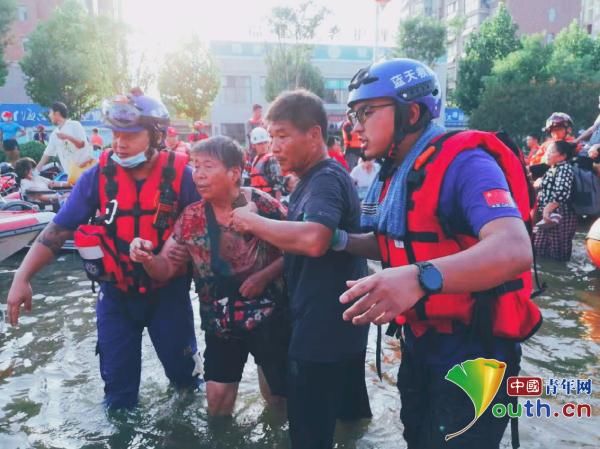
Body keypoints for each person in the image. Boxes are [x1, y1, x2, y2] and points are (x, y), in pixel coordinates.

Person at [336, 58, 541, 449]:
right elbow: (399, 243)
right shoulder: (394, 172)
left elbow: (515, 249)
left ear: (411, 112)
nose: (354, 125)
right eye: (353, 114)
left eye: (366, 112)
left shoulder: (466, 163)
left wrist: (417, 277)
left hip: (475, 352)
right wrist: (339, 241)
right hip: (420, 345)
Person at [6, 92, 202, 409]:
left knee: (187, 386)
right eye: (116, 133)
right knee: (118, 399)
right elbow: (57, 231)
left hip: (168, 296)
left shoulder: (183, 176)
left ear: (157, 135)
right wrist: (22, 277)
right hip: (116, 298)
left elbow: (209, 232)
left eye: (131, 134)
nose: (120, 142)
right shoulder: (96, 177)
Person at [230, 90, 372, 449]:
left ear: (314, 135)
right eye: (270, 136)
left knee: (309, 429)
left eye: (282, 135)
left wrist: (251, 221)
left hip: (322, 327)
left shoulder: (324, 179)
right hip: (344, 319)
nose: (274, 146)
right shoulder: (314, 179)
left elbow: (313, 240)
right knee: (350, 416)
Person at [130, 136, 289, 416]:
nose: (198, 175)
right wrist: (146, 258)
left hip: (269, 318)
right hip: (220, 324)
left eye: (207, 166)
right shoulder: (191, 217)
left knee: (278, 399)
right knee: (216, 402)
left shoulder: (262, 204)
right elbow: (165, 268)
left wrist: (264, 276)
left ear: (234, 173)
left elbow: (297, 250)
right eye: (195, 166)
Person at [534, 140, 578, 261]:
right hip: (549, 214)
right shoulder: (553, 169)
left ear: (562, 156)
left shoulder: (564, 169)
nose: (547, 154)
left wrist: (547, 211)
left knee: (558, 252)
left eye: (551, 151)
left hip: (560, 214)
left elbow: (561, 193)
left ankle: (561, 274)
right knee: (539, 247)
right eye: (547, 151)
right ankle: (545, 272)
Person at [35, 102, 95, 183]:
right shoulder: (54, 134)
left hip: (84, 171)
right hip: (71, 176)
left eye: (50, 112)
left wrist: (67, 137)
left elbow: (81, 144)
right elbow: (47, 154)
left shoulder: (74, 125)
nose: (49, 115)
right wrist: (34, 172)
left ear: (57, 113)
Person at [249, 126, 283, 198]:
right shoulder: (255, 160)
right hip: (258, 200)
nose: (263, 146)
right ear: (254, 145)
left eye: (265, 142)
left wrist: (277, 204)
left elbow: (278, 184)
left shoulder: (271, 160)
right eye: (260, 144)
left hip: (269, 201)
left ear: (268, 143)